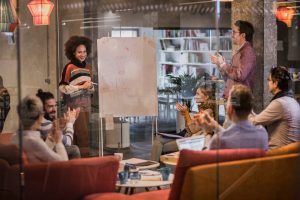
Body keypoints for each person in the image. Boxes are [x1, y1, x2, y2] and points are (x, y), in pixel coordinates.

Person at [151, 86, 216, 162]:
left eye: (198, 94)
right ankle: (156, 167)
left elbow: (192, 130)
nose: (195, 96)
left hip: (192, 140)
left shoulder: (208, 112)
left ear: (206, 97)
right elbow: (188, 129)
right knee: (157, 140)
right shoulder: (202, 109)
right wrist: (185, 115)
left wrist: (186, 113)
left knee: (160, 145)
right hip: (187, 136)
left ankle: (155, 167)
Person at [194, 84, 268, 150]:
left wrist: (208, 133)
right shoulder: (262, 133)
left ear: (230, 110)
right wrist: (215, 126)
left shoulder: (219, 140)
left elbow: (205, 158)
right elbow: (234, 136)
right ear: (250, 110)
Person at [59, 36, 94, 156]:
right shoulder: (69, 67)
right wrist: (81, 87)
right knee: (80, 133)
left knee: (83, 133)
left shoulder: (88, 68)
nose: (82, 54)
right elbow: (62, 87)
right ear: (73, 52)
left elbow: (90, 86)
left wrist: (89, 87)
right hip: (74, 104)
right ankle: (82, 161)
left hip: (86, 103)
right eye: (79, 52)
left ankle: (77, 160)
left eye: (84, 51)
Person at [249, 66, 300, 149]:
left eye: (269, 80)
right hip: (290, 155)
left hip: (277, 155)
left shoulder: (279, 103)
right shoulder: (293, 102)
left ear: (275, 83)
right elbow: (259, 119)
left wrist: (243, 110)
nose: (268, 83)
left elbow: (253, 122)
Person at [11, 95, 68, 163]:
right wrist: (58, 142)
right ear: (40, 116)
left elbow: (42, 153)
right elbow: (63, 164)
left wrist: (51, 139)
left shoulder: (14, 138)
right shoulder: (34, 142)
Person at [210, 20, 256, 99]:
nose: (231, 35)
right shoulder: (240, 51)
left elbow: (240, 75)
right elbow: (229, 78)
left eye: (234, 32)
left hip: (239, 99)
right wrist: (219, 64)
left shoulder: (248, 51)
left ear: (243, 35)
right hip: (234, 98)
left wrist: (223, 64)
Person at [36, 89, 81, 159]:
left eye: (55, 106)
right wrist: (70, 123)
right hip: (44, 159)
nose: (54, 109)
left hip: (47, 154)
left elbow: (59, 137)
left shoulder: (44, 122)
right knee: (74, 149)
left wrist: (70, 121)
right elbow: (68, 142)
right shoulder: (45, 124)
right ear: (42, 108)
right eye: (50, 106)